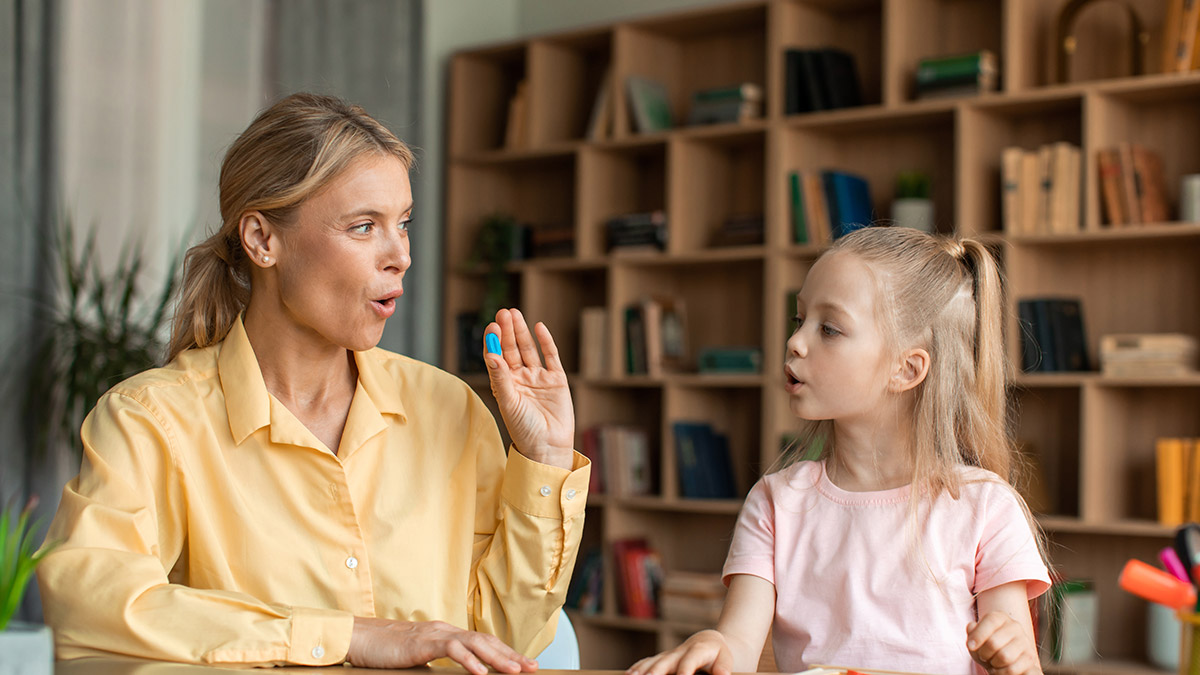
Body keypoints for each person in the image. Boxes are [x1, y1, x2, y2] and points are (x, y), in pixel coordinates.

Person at [37, 92, 590, 673]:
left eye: (402, 223)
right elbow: (87, 606)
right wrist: (344, 637)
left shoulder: (450, 407)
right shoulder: (150, 419)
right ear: (262, 240)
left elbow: (502, 643)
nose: (399, 254)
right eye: (363, 227)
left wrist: (546, 454)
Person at [628, 226, 1051, 675]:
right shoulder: (775, 503)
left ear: (906, 369)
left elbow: (1017, 657)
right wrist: (713, 645)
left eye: (829, 328)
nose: (795, 342)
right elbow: (737, 645)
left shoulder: (986, 507)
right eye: (800, 320)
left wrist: (1014, 658)